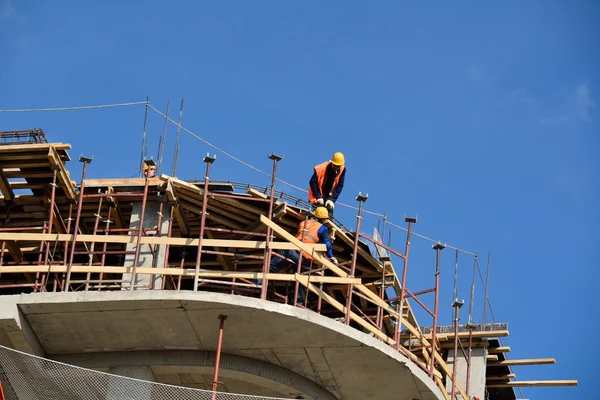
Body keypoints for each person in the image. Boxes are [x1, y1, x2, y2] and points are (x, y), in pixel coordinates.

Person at [257, 207, 338, 305]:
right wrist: (331, 256)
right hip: (302, 256)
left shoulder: (303, 223)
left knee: (270, 267)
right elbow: (327, 244)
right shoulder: (322, 228)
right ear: (324, 219)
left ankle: (256, 284)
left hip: (291, 250)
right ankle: (298, 301)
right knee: (298, 278)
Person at [308, 152, 346, 218]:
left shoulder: (342, 170)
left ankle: (327, 226)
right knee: (318, 213)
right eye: (335, 165)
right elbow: (312, 182)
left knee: (329, 213)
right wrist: (318, 197)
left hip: (329, 196)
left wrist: (332, 199)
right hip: (318, 194)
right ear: (332, 162)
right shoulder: (321, 169)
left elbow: (339, 186)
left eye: (338, 166)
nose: (336, 168)